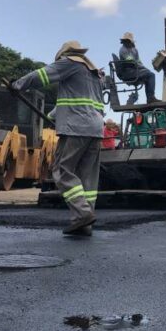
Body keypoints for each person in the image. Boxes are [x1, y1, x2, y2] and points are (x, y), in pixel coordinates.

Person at [13, 41, 103, 237]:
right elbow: (80, 103)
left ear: (65, 53)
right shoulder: (94, 73)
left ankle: (83, 213)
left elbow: (42, 75)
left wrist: (18, 85)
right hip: (95, 130)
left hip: (76, 128)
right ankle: (84, 223)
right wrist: (54, 117)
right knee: (86, 177)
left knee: (62, 170)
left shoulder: (69, 63)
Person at [118, 32, 158, 104]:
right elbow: (132, 62)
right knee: (151, 75)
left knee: (149, 75)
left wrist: (144, 69)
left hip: (135, 70)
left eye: (128, 41)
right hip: (128, 72)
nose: (127, 42)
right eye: (126, 41)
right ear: (124, 41)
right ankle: (151, 98)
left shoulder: (134, 50)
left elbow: (139, 61)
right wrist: (144, 69)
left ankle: (150, 98)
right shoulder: (122, 50)